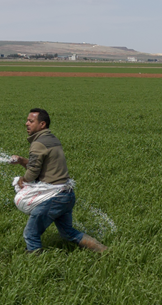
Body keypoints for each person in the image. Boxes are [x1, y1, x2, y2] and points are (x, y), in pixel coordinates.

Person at [8, 108, 108, 252]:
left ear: (42, 124)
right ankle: (105, 251)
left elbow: (33, 172)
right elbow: (42, 166)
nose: (26, 123)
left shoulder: (38, 144)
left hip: (54, 198)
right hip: (66, 195)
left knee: (30, 234)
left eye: (31, 121)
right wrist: (22, 160)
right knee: (68, 233)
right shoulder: (52, 139)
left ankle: (36, 266)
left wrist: (22, 180)